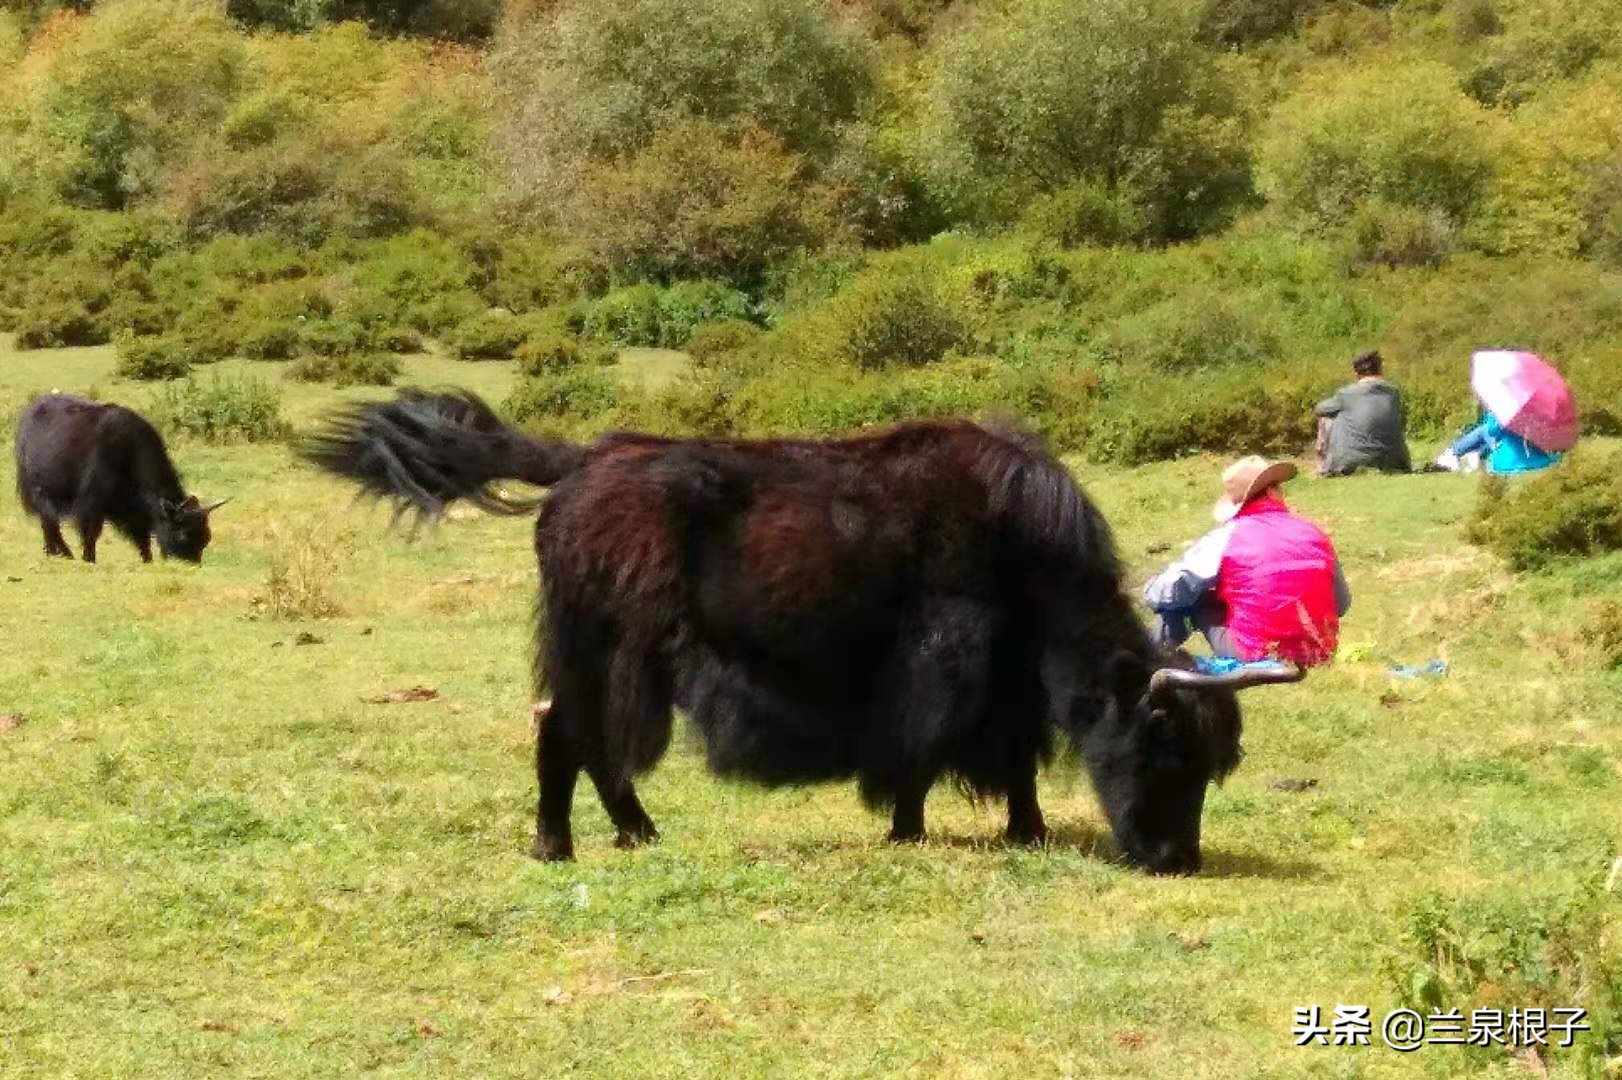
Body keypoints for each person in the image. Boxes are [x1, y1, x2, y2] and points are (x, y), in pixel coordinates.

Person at [1144, 456, 1351, 667]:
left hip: (1257, 654)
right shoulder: (1315, 533)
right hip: (1319, 652)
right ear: (1271, 492)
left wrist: (1150, 590)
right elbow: (1342, 605)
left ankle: (1145, 654)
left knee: (1190, 598)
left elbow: (1166, 590)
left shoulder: (1227, 536)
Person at [1313, 350, 1411, 477]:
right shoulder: (1393, 393)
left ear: (1357, 373)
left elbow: (1319, 409)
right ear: (1380, 369)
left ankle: (1324, 467)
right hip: (1393, 461)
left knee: (1327, 417)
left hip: (1351, 462)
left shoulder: (1346, 394)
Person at [1432, 408, 1562, 475]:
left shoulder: (1507, 406)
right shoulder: (1531, 410)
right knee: (1487, 431)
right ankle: (1465, 453)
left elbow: (1493, 429)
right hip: (1525, 446)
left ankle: (1455, 452)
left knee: (1485, 430)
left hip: (1510, 451)